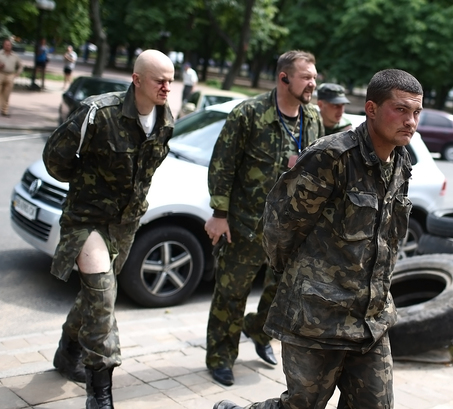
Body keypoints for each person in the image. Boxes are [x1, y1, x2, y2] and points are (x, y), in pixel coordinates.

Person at [213, 68, 421, 409]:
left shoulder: (401, 163)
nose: (410, 121)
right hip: (318, 317)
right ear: (371, 109)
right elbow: (280, 224)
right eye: (400, 109)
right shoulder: (332, 157)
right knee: (302, 404)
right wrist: (303, 283)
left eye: (416, 112)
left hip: (370, 319)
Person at [42, 49, 175, 409]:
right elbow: (55, 157)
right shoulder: (99, 112)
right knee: (103, 296)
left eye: (171, 80)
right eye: (159, 80)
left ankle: (67, 350)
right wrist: (86, 186)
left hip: (125, 224)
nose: (167, 87)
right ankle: (100, 392)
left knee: (94, 295)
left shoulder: (166, 119)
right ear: (136, 79)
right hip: (88, 219)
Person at [203, 50, 323, 387]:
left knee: (281, 294)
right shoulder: (249, 114)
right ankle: (221, 358)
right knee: (231, 293)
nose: (313, 83)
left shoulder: (312, 119)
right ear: (284, 78)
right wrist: (219, 214)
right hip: (245, 224)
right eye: (306, 76)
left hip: (290, 228)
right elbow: (222, 165)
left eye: (314, 76)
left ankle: (258, 332)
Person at [0, 39, 24, 117]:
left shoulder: (15, 56)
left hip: (10, 75)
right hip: (1, 73)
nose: (7, 46)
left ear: (11, 46)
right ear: (3, 45)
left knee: (7, 93)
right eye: (6, 44)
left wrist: (17, 74)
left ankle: (5, 110)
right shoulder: (0, 53)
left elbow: (20, 65)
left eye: (9, 45)